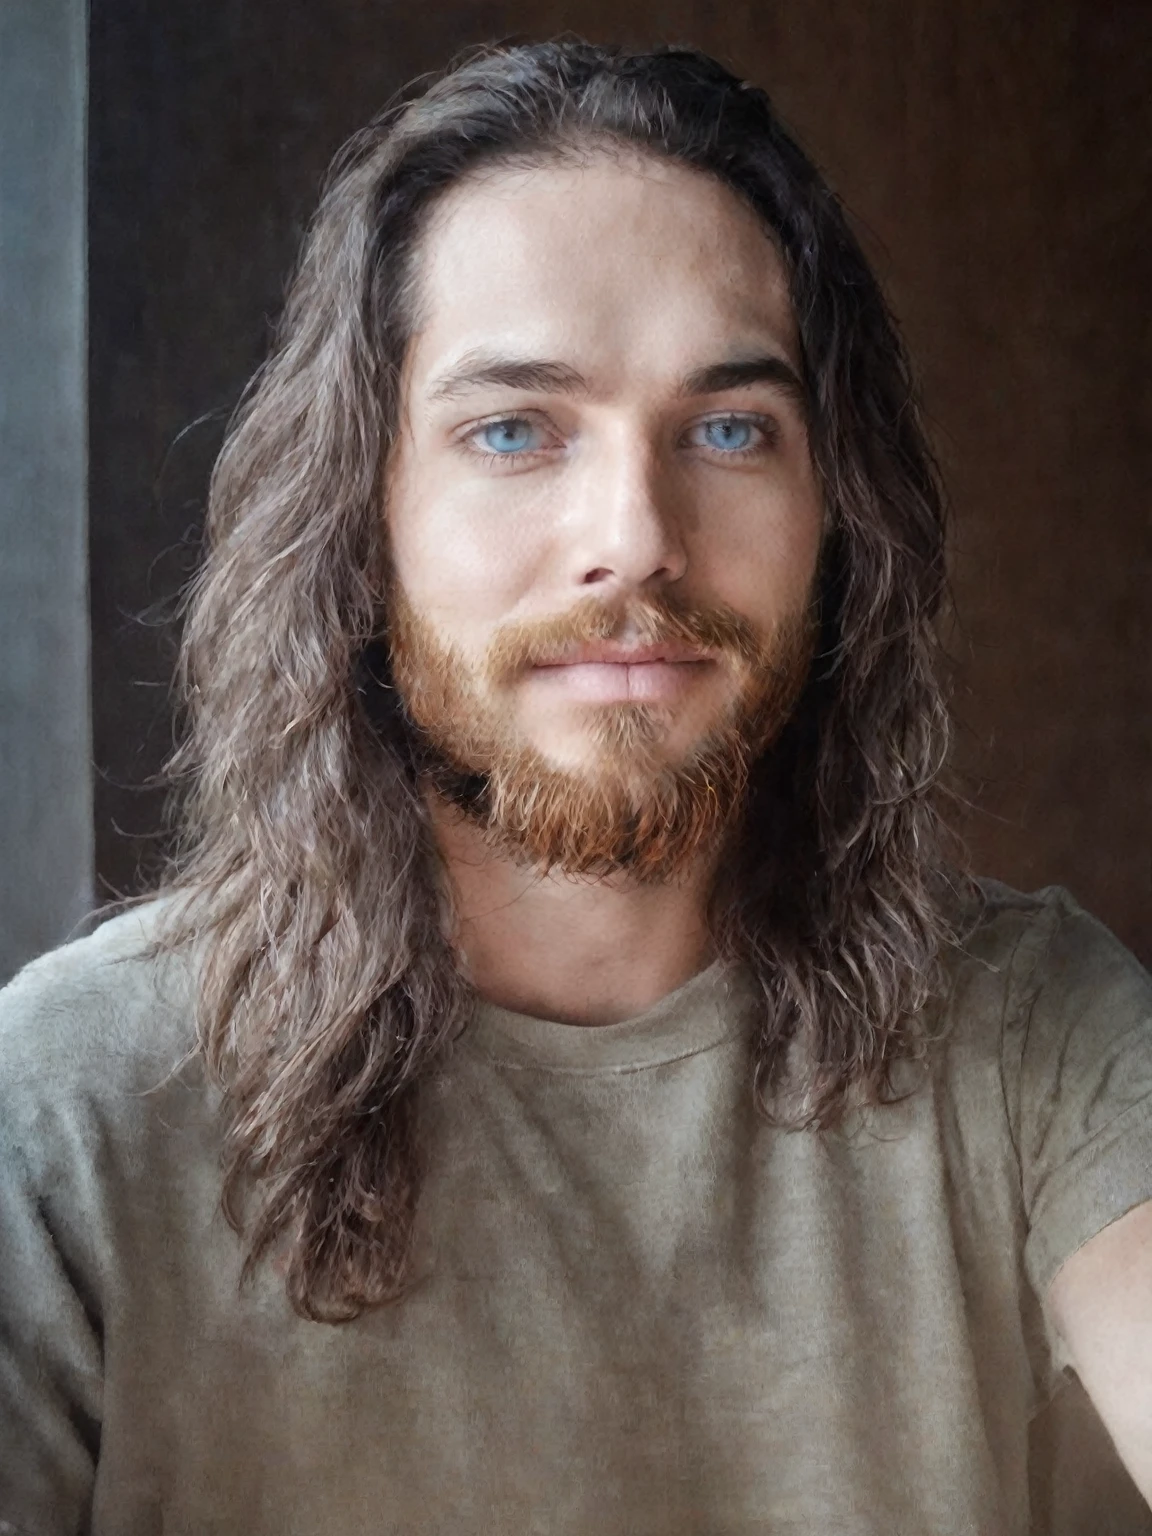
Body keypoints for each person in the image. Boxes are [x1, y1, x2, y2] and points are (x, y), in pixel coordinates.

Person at [1, 37, 1150, 1535]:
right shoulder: (69, 1115)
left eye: (729, 429)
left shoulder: (1034, 1038)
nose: (636, 537)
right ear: (364, 523)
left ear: (836, 522)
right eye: (514, 430)